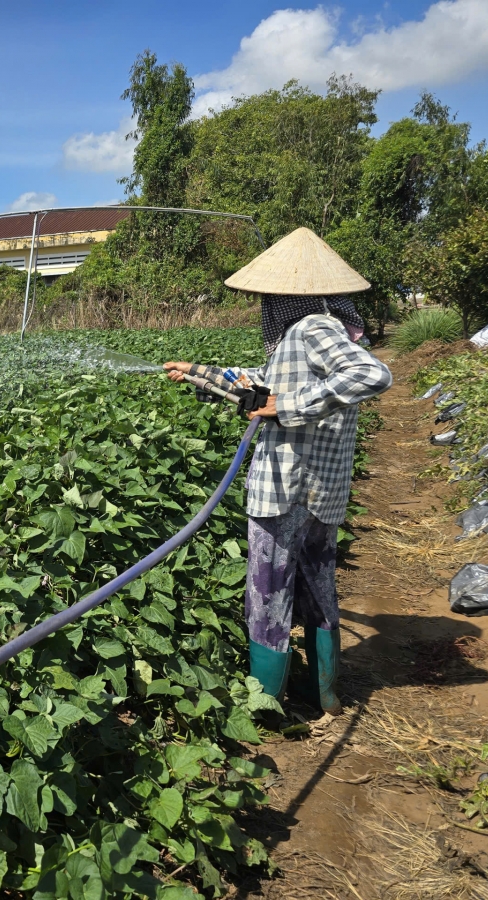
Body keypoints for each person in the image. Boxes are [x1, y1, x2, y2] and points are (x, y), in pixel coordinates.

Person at [163, 228, 392, 714]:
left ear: (285, 296)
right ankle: (324, 694)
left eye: (268, 296)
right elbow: (263, 387)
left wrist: (288, 406)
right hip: (322, 492)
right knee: (317, 585)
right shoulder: (321, 331)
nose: (264, 305)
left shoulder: (312, 329)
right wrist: (199, 373)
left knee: (267, 594)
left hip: (284, 488)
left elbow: (371, 374)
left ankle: (266, 704)